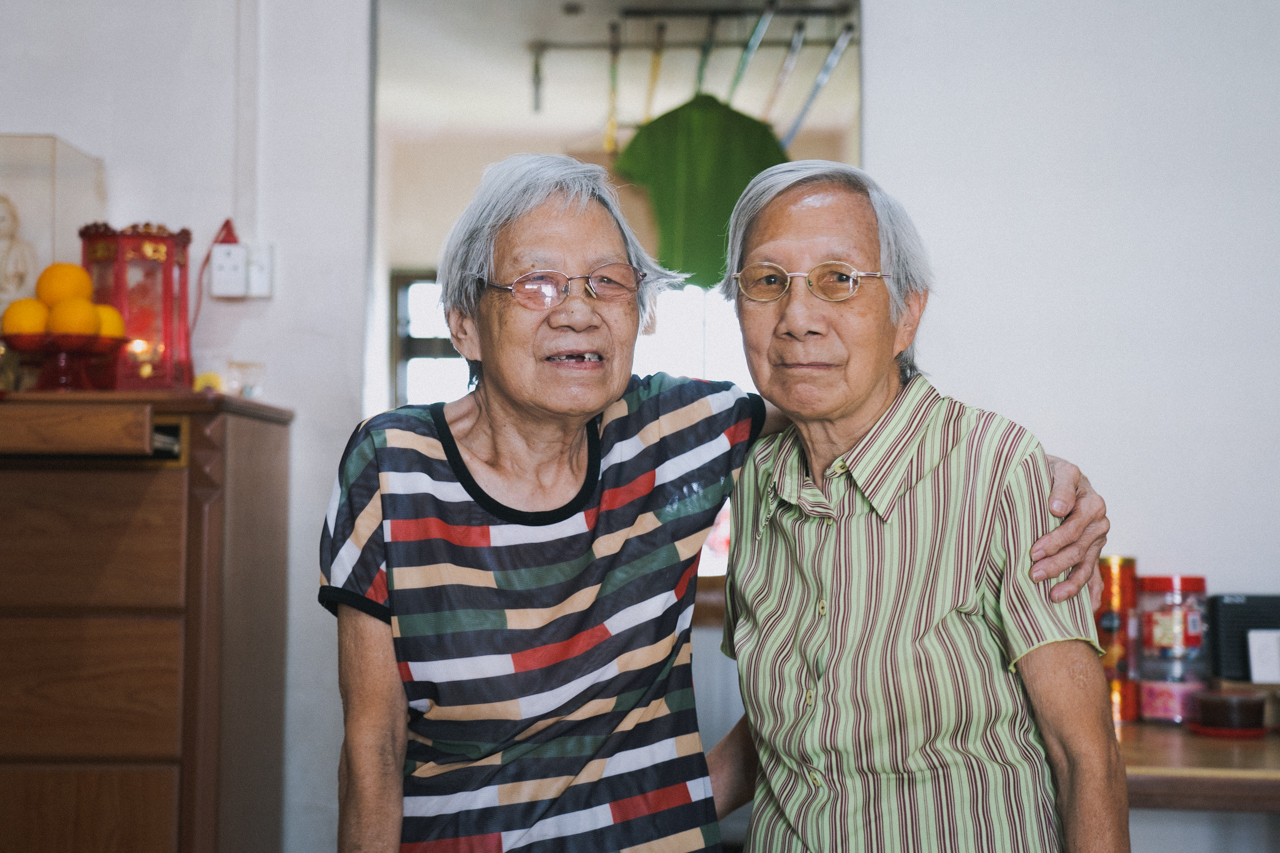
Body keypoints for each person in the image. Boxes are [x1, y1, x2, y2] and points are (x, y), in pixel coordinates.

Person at [319, 154, 1109, 852]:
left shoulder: (686, 438)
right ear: (462, 322)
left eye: (607, 281)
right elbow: (373, 746)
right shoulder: (396, 465)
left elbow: (837, 399)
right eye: (537, 282)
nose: (577, 308)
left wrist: (1039, 474)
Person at [708, 161, 1129, 852]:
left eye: (838, 280)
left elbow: (1085, 757)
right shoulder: (755, 480)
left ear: (906, 313)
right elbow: (783, 729)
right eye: (766, 281)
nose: (798, 318)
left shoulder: (999, 469)